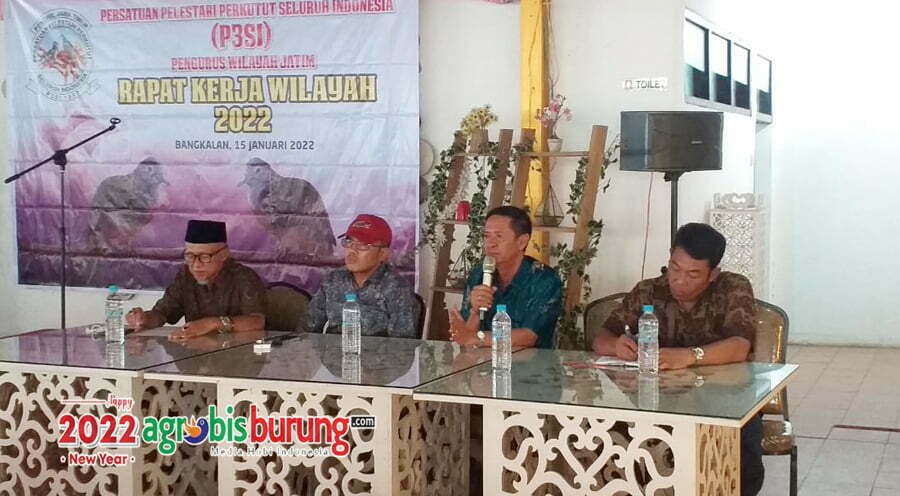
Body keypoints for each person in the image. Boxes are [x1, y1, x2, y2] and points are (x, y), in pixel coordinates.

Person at [592, 222, 763, 496]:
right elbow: (601, 339)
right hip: (658, 400)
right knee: (610, 436)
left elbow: (739, 346)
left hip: (724, 398)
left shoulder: (733, 288)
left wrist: (691, 356)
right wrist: (616, 345)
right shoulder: (648, 291)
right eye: (675, 268)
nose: (680, 281)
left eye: (693, 274)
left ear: (713, 274)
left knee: (741, 456)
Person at [125, 219, 267, 341]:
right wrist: (144, 319)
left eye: (204, 257)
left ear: (224, 254)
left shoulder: (243, 277)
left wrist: (212, 324)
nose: (196, 265)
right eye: (190, 256)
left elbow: (257, 321)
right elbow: (162, 313)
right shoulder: (185, 276)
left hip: (238, 354)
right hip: (196, 352)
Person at [449, 206, 562, 349]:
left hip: (530, 361)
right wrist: (475, 312)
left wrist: (478, 338)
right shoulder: (479, 275)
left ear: (522, 242)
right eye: (486, 236)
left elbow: (528, 336)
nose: (490, 244)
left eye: (499, 236)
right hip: (483, 360)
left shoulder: (544, 279)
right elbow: (467, 338)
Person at [300, 214, 418, 338]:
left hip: (376, 351)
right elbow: (307, 330)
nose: (352, 251)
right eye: (349, 242)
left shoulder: (397, 288)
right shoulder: (333, 281)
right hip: (333, 350)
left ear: (383, 253)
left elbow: (402, 344)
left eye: (363, 245)